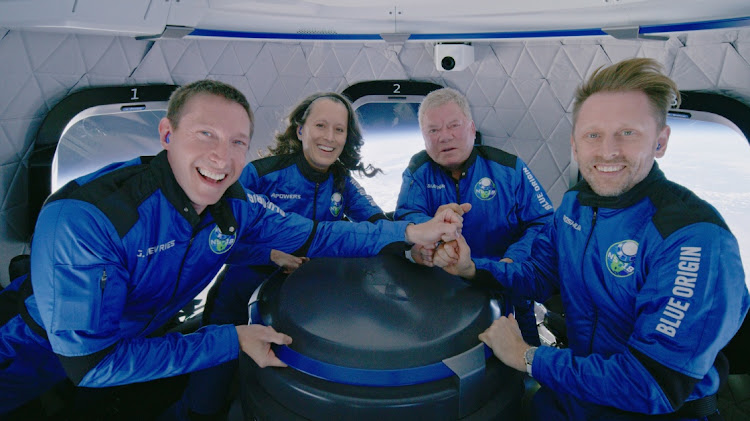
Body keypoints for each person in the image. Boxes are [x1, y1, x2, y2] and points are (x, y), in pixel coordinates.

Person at [0, 80, 463, 418]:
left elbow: (318, 235)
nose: (223, 157)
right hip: (28, 349)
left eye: (237, 141)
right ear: (167, 135)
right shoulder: (89, 218)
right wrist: (232, 338)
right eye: (206, 135)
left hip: (142, 342)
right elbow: (93, 363)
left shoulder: (236, 205)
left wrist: (411, 234)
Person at [434, 58, 749, 419]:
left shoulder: (693, 239)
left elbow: (651, 384)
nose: (607, 150)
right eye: (592, 134)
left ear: (660, 142)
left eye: (628, 133)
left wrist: (527, 356)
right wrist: (472, 268)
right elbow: (538, 275)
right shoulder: (575, 206)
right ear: (575, 144)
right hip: (574, 397)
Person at [181, 91, 388, 418]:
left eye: (339, 129)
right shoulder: (261, 174)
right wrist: (272, 254)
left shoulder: (341, 181)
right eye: (320, 125)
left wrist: (414, 236)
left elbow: (377, 221)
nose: (329, 137)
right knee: (211, 385)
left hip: (301, 295)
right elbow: (220, 235)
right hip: (243, 286)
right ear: (300, 129)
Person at [394, 87, 553, 345]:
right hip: (443, 291)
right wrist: (434, 230)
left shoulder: (510, 169)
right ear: (424, 138)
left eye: (453, 125)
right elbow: (406, 218)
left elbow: (543, 222)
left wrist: (513, 259)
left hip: (505, 283)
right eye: (433, 130)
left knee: (520, 363)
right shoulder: (418, 171)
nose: (444, 137)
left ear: (471, 128)